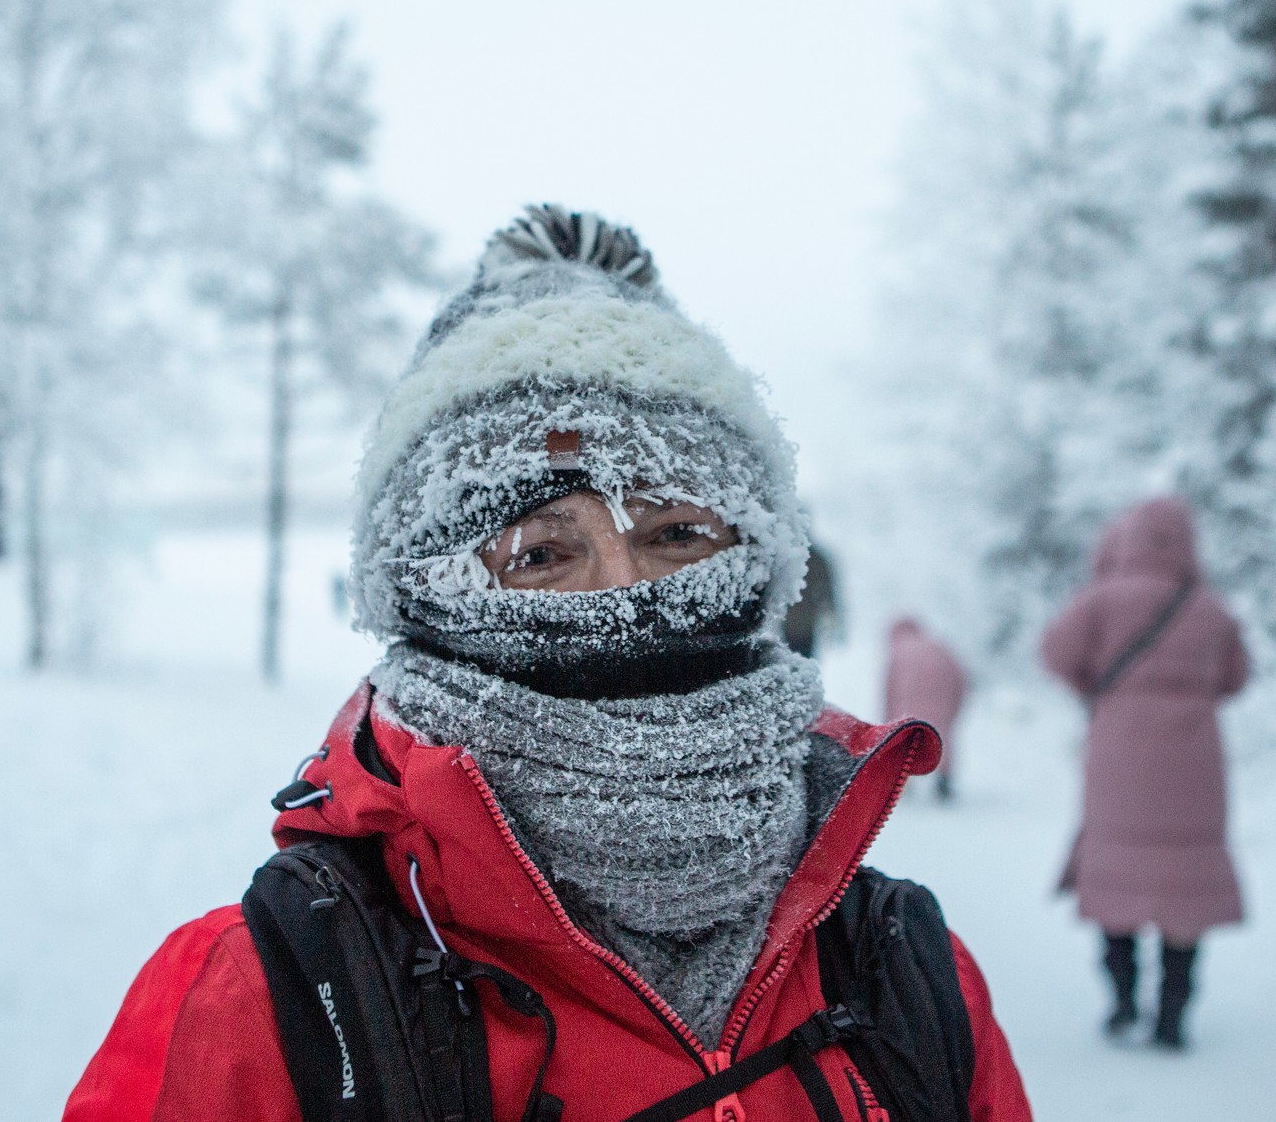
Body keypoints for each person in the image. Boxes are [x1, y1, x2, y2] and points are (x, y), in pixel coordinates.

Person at [63, 206, 1031, 1122]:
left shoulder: (904, 973)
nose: (623, 590)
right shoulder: (265, 998)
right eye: (539, 554)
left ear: (759, 558)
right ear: (428, 596)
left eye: (677, 532)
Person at [1040, 496, 1249, 1049]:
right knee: (1186, 888)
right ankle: (1173, 1014)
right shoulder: (1210, 607)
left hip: (1118, 752)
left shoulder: (1102, 599)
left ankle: (1123, 1000)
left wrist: (1097, 684)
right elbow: (1237, 676)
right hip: (1195, 764)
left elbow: (1054, 652)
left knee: (1116, 876)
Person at [883, 617, 969, 802]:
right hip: (942, 694)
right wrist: (955, 708)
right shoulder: (938, 646)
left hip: (909, 696)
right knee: (942, 733)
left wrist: (887, 720)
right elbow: (959, 675)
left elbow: (890, 687)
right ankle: (944, 779)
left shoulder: (899, 650)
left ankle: (903, 778)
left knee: (907, 735)